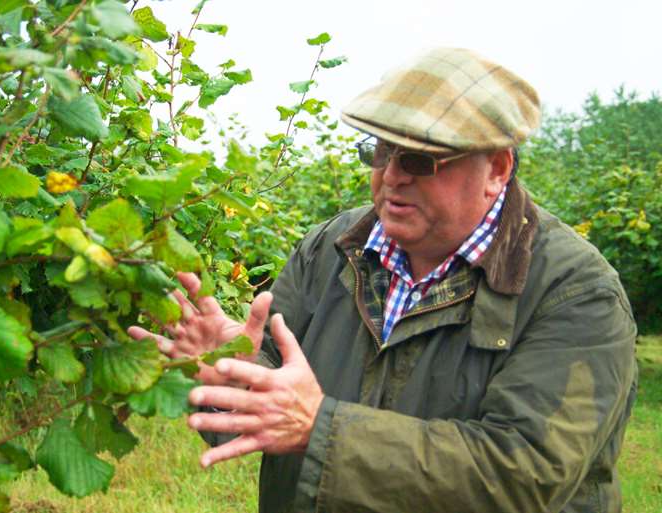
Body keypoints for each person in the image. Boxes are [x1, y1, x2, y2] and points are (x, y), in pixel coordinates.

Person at [129, 47, 637, 513]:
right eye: (379, 151)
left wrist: (321, 430)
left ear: (497, 170)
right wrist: (236, 373)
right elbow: (282, 386)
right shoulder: (332, 248)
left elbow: (524, 472)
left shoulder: (575, 292)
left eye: (419, 159)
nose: (392, 174)